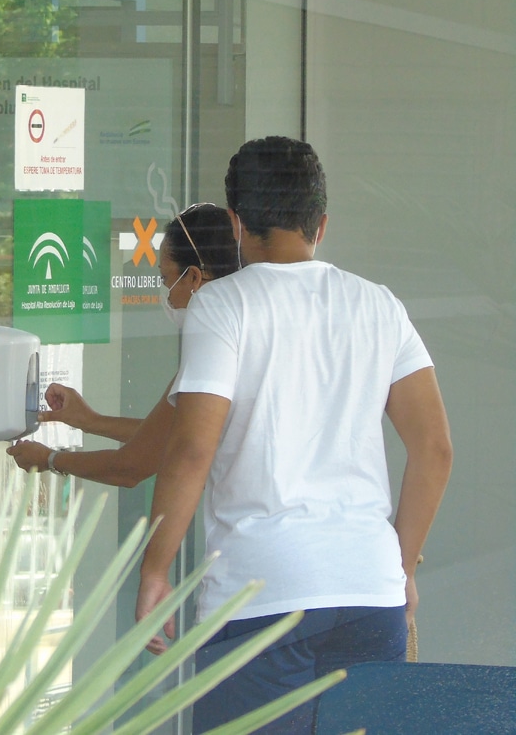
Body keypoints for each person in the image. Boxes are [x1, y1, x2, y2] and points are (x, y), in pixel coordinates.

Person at [136, 137, 453, 733]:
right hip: (369, 591)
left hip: (262, 595)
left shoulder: (223, 308)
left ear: (235, 223)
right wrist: (401, 563)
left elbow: (192, 448)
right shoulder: (380, 306)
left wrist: (156, 569)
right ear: (322, 224)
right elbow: (434, 449)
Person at [7, 203, 238, 484]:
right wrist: (89, 420)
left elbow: (132, 466)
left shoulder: (213, 353)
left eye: (166, 279)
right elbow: (163, 436)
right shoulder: (246, 335)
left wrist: (49, 459)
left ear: (193, 277)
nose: (167, 297)